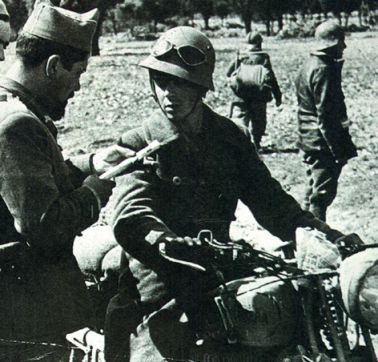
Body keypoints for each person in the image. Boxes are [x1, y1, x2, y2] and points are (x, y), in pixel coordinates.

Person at [104, 26, 354, 362]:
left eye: (181, 82)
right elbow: (131, 214)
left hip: (218, 277)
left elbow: (275, 206)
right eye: (161, 81)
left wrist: (331, 237)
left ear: (201, 86)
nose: (169, 92)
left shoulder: (230, 138)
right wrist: (165, 241)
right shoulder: (139, 142)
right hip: (159, 289)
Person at [0, 2, 133, 360]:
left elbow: (27, 179)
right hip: (23, 312)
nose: (77, 86)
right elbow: (43, 225)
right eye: (77, 72)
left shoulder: (11, 108)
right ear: (53, 65)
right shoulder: (16, 123)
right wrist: (95, 192)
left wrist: (88, 163)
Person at [295, 20, 357, 221]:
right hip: (321, 143)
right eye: (342, 41)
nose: (344, 46)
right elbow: (327, 117)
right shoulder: (324, 70)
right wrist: (338, 150)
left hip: (309, 138)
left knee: (313, 190)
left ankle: (302, 235)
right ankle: (316, 241)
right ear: (331, 43)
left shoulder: (309, 65)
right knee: (321, 196)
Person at [226, 31, 282, 150]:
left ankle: (240, 143)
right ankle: (256, 143)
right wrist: (278, 96)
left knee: (240, 120)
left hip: (240, 95)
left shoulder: (240, 56)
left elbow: (228, 73)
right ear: (260, 43)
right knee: (259, 121)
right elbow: (271, 78)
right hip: (259, 96)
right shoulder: (263, 58)